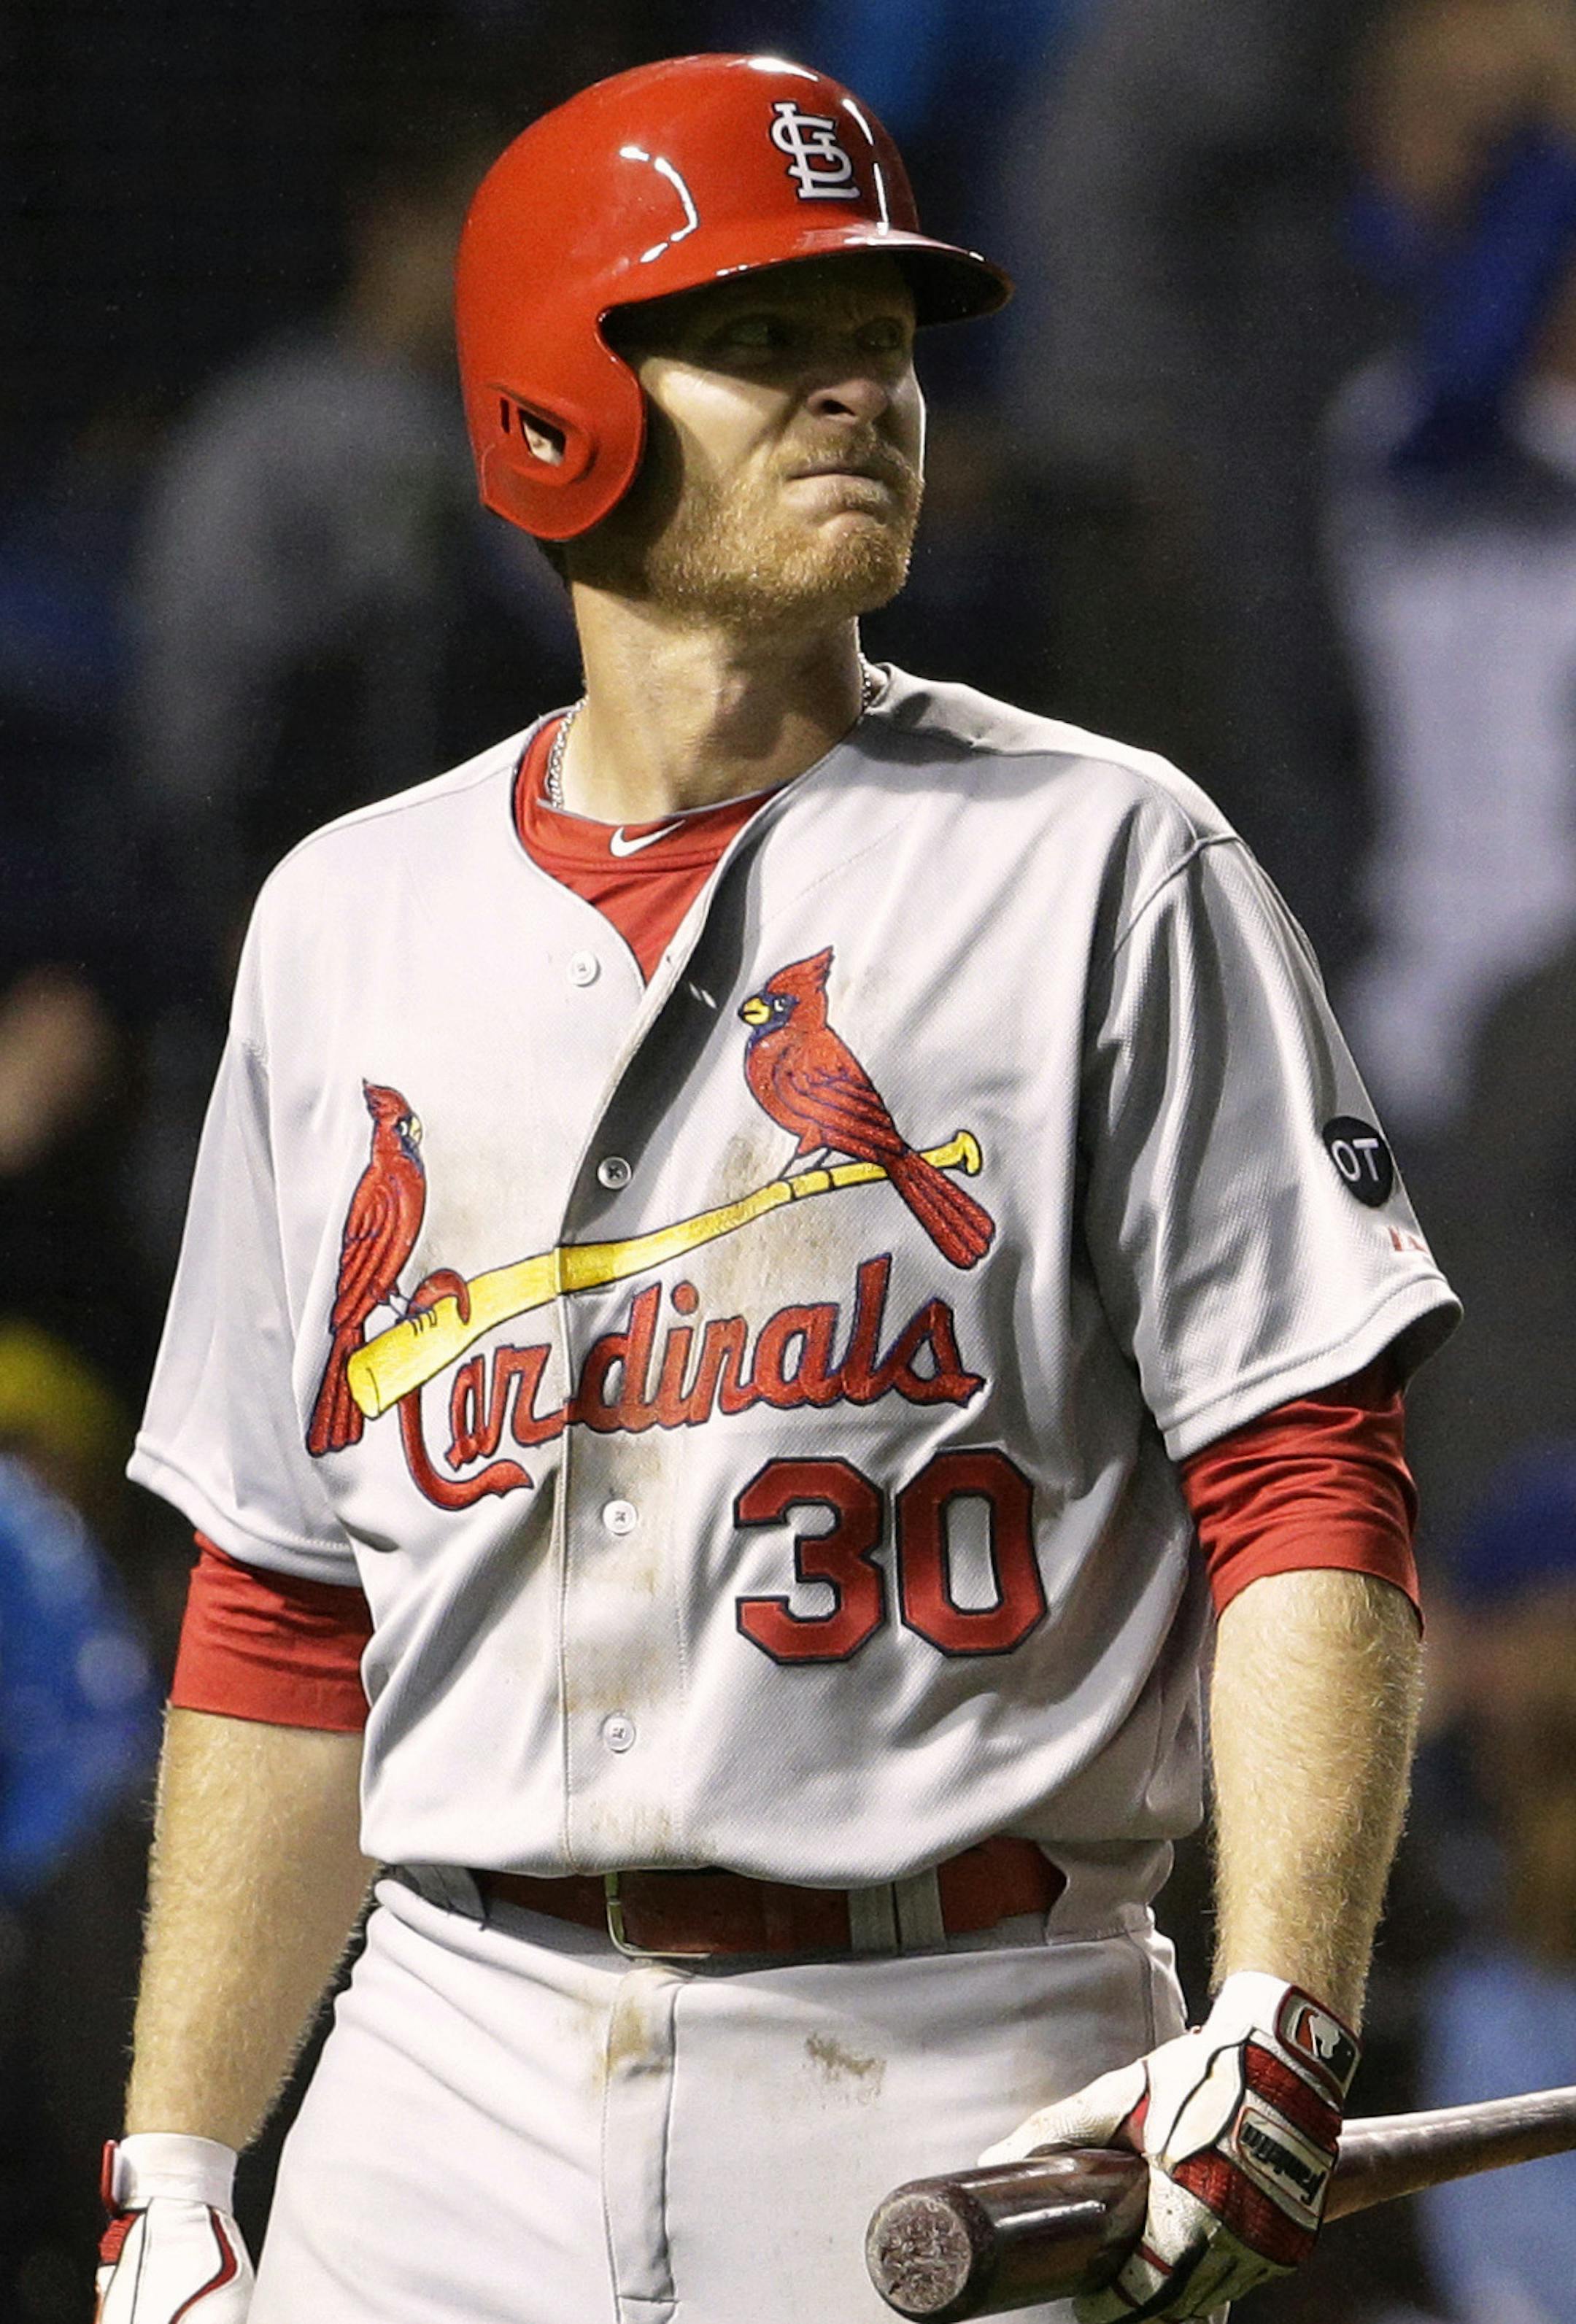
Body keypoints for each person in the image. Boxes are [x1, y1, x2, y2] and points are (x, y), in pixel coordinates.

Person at [98, 53, 1459, 2324]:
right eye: (767, 341)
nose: (863, 394)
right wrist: (173, 2151)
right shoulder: (346, 919)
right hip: (440, 2067)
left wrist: (1281, 2004)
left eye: (890, 345)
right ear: (556, 402)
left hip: (958, 2066)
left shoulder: (1110, 862)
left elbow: (1311, 1471)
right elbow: (282, 1604)